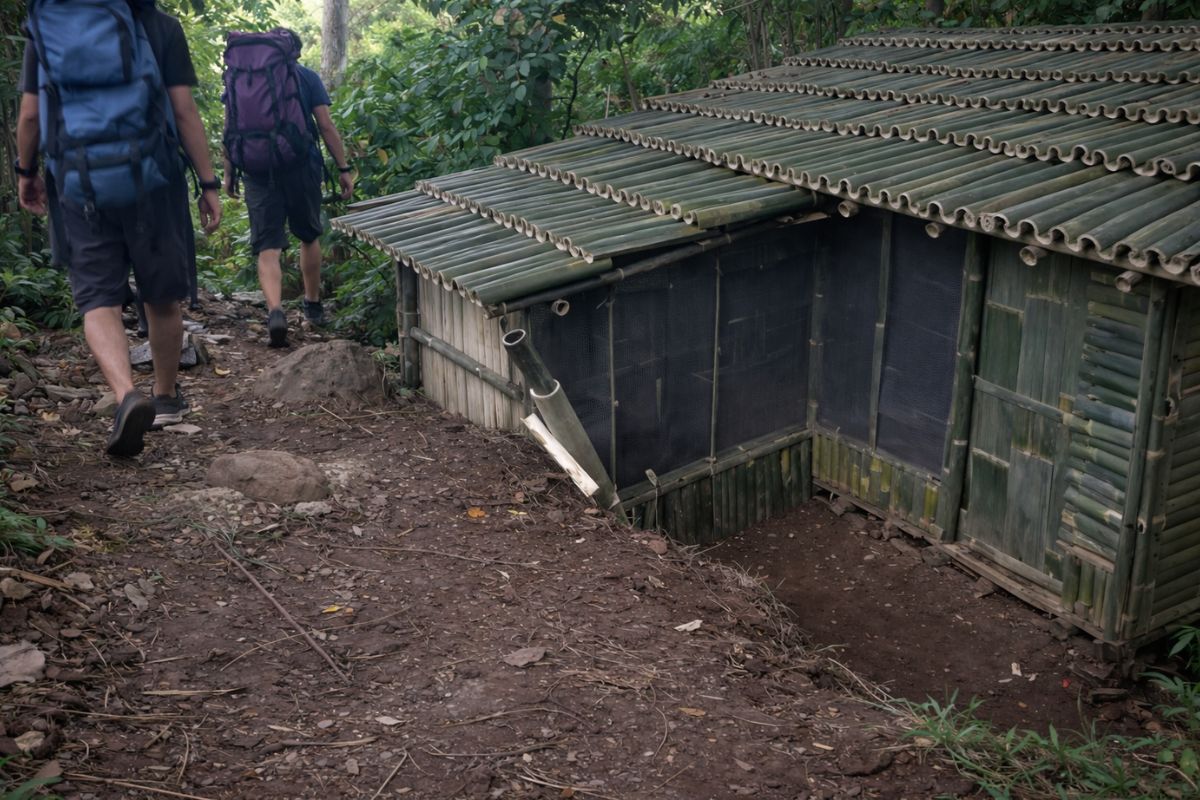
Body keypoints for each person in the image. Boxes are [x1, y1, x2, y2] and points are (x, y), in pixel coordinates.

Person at [16, 0, 221, 457]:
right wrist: (208, 183)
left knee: (97, 298)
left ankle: (127, 393)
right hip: (154, 178)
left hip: (78, 181)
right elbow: (183, 111)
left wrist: (25, 171)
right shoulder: (160, 25)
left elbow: (30, 114)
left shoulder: (46, 26)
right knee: (161, 293)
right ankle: (165, 397)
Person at [223, 28, 354, 348]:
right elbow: (325, 125)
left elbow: (230, 128)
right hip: (300, 165)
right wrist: (343, 168)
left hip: (255, 170)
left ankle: (275, 311)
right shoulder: (305, 77)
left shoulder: (240, 79)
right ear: (294, 52)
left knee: (267, 246)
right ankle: (312, 305)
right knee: (309, 235)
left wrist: (228, 174)